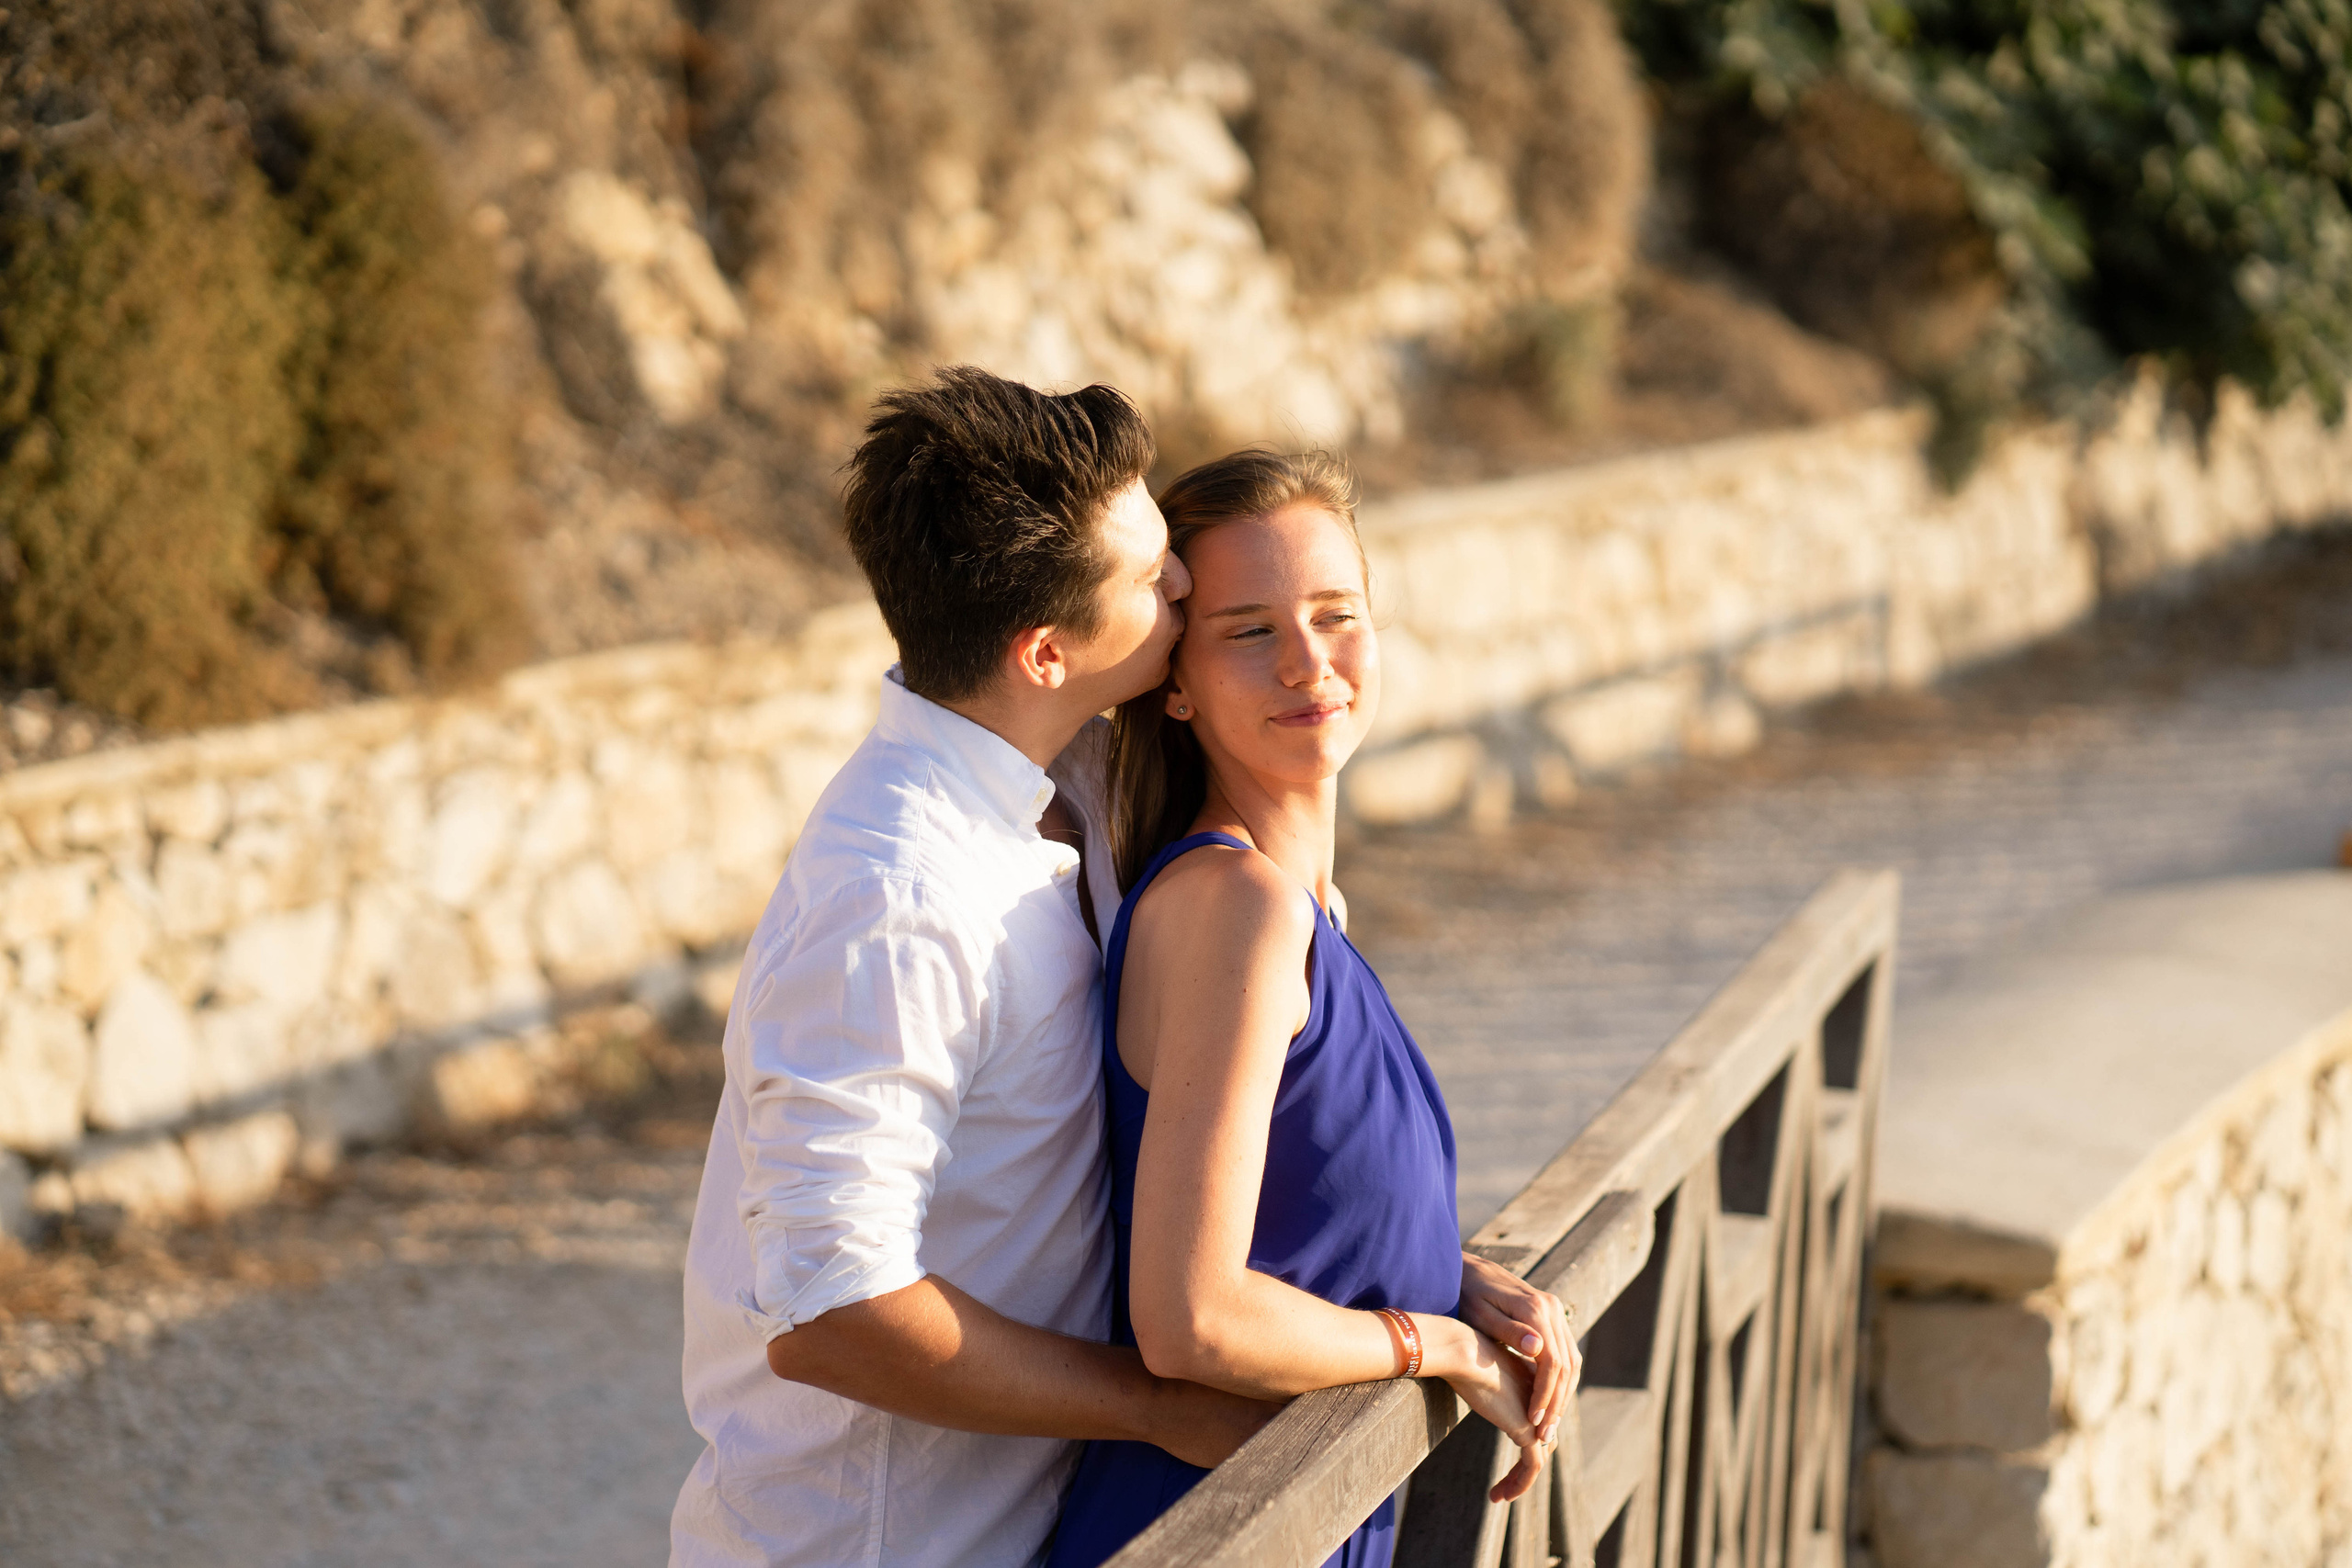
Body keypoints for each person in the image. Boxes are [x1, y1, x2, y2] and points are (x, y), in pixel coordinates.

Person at [670, 368, 1275, 1568]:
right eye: (1156, 580)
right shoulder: (893, 895)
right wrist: (1154, 1403)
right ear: (1047, 650)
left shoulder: (1079, 781)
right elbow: (833, 1312)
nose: (1188, 587)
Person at [1047, 450, 1578, 1568]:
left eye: (1336, 615)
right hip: (1199, 1532)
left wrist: (1450, 1275)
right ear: (1175, 683)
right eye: (1249, 630)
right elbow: (1190, 1319)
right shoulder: (1232, 908)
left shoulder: (1299, 907)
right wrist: (1431, 1341)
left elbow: (1290, 1211)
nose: (1308, 662)